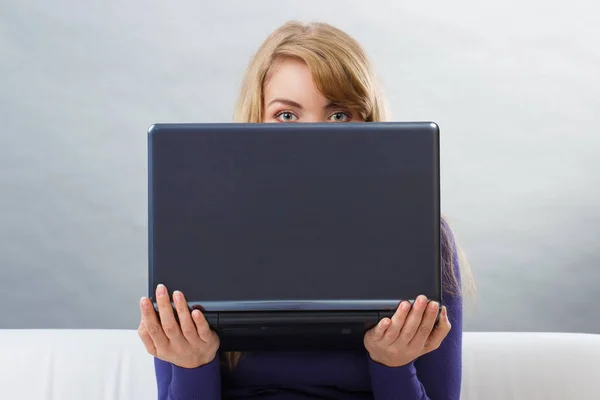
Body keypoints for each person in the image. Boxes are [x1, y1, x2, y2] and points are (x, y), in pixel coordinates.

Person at [138, 20, 474, 400]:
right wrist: (192, 364)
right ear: (256, 119)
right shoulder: (194, 235)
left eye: (338, 115)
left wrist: (393, 365)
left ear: (368, 121)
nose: (314, 137)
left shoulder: (423, 240)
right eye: (286, 115)